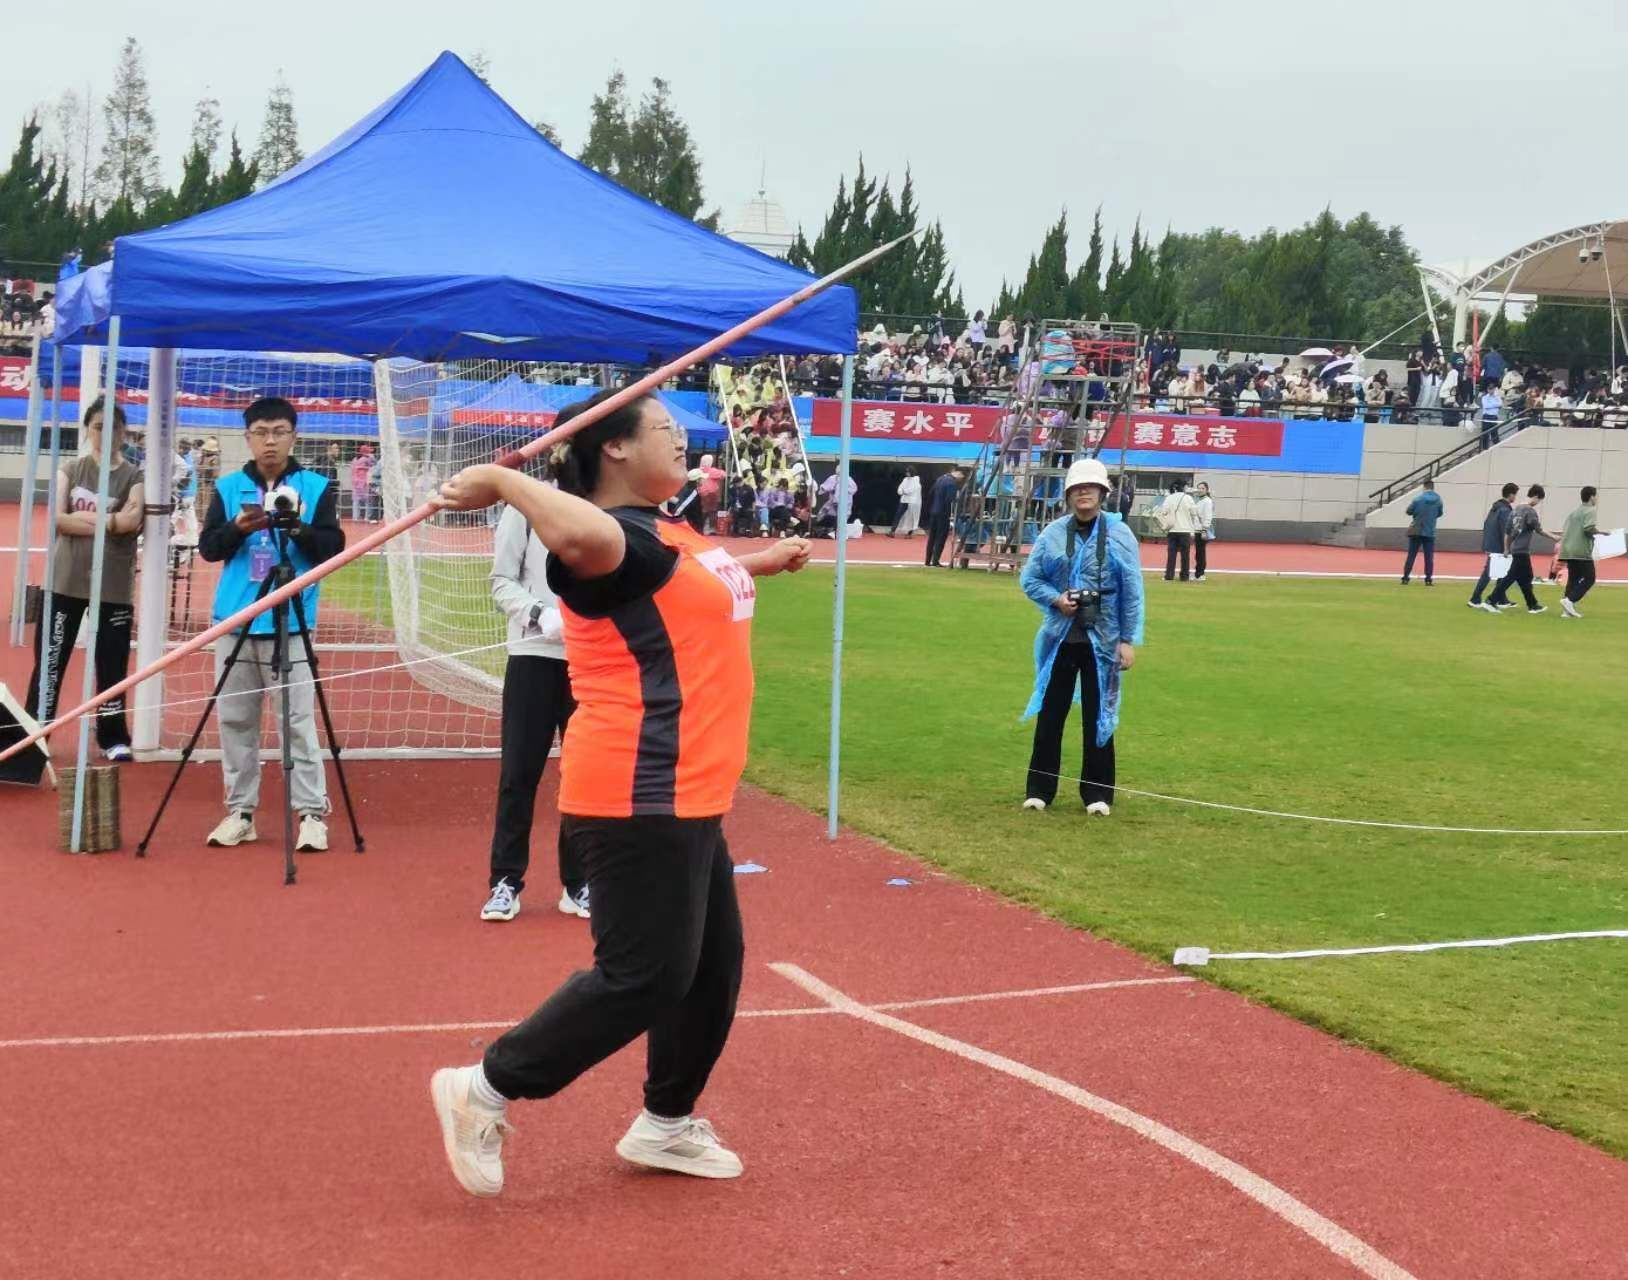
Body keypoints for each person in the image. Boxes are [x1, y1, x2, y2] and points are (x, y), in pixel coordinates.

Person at [427, 388, 812, 1196]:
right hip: (639, 790)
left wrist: (758, 563)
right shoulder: (608, 540)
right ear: (614, 448)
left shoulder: (665, 533)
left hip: (692, 794)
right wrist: (502, 481)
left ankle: (664, 1123)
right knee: (646, 975)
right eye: (664, 429)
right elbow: (583, 537)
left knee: (711, 968)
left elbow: (682, 578)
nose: (681, 440)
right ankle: (485, 1087)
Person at [196, 397, 345, 851]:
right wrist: (239, 528)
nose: (270, 442)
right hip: (236, 618)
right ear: (248, 438)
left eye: (279, 432)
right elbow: (209, 548)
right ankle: (240, 812)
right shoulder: (227, 487)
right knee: (235, 720)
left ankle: (311, 813)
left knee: (296, 721)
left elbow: (333, 547)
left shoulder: (316, 486)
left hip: (290, 619)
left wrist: (295, 526)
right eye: (261, 433)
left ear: (293, 436)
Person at [479, 494, 584, 923]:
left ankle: (578, 882)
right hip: (532, 656)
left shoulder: (604, 505)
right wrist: (539, 614)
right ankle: (505, 880)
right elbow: (502, 581)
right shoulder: (523, 508)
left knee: (583, 775)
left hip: (589, 660)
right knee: (519, 773)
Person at [1019, 458, 1144, 816]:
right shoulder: (1053, 534)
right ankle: (1039, 790)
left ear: (1103, 493)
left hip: (1104, 641)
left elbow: (1131, 590)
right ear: (1068, 495)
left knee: (1099, 716)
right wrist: (1056, 599)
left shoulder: (1120, 534)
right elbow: (1031, 579)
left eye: (1091, 487)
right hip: (1060, 639)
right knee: (1050, 715)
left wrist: (1127, 639)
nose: (1084, 493)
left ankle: (1097, 794)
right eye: (1077, 488)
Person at [23, 396, 144, 762]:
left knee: (112, 663)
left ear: (123, 432)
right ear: (88, 430)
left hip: (113, 583)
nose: (105, 434)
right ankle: (34, 733)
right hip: (66, 578)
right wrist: (109, 522)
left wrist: (86, 520)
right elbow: (58, 519)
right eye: (98, 426)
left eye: (114, 427)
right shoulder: (71, 469)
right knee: (50, 660)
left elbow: (132, 521)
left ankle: (112, 736)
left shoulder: (135, 476)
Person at [1485, 484, 1559, 615]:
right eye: (1539, 500)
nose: (1538, 503)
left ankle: (1532, 604)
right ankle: (1492, 600)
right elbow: (1539, 529)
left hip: (1515, 549)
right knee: (1511, 577)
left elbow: (1507, 531)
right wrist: (1554, 537)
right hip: (1522, 550)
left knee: (1526, 577)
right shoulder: (1530, 511)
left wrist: (1507, 548)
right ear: (1536, 496)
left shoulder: (1515, 510)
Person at [1469, 483, 1520, 611]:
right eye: (1515, 494)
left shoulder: (1495, 508)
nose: (1515, 497)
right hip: (1499, 546)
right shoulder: (1505, 510)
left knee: (1501, 572)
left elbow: (1487, 525)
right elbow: (1506, 530)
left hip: (1491, 544)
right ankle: (1475, 598)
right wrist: (1507, 547)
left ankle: (1501, 598)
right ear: (1511, 494)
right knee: (1489, 573)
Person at [1558, 486, 1600, 620]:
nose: (1597, 498)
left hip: (1569, 549)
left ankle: (1566, 611)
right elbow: (1588, 528)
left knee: (1573, 579)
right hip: (1581, 550)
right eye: (1596, 496)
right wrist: (1601, 534)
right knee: (1590, 578)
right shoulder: (1591, 510)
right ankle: (1570, 600)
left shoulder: (1574, 512)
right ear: (1592, 497)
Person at [1400, 479, 1444, 586]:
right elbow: (1439, 513)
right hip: (1430, 531)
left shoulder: (1418, 499)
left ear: (1424, 487)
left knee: (1411, 555)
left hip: (1417, 529)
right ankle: (1428, 579)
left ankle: (1405, 578)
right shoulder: (1438, 500)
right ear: (1433, 487)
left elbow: (1409, 511)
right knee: (1429, 557)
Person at [1155, 480, 1199, 581]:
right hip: (1185, 530)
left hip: (1172, 530)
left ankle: (1169, 575)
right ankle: (1184, 576)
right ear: (1184, 487)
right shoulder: (1188, 498)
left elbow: (1163, 511)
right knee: (1185, 555)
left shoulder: (1169, 498)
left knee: (1171, 554)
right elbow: (1194, 513)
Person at [923, 467, 964, 567]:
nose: (961, 479)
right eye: (961, 476)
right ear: (957, 473)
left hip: (934, 511)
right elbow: (949, 499)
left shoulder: (940, 479)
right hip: (943, 513)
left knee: (932, 537)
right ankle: (935, 560)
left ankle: (927, 560)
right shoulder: (951, 483)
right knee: (941, 537)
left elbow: (930, 494)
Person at [890, 465, 922, 537]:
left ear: (912, 472)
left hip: (913, 502)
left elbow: (911, 490)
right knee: (898, 514)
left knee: (911, 517)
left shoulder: (916, 480)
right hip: (904, 500)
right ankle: (892, 531)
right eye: (906, 471)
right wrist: (902, 491)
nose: (906, 473)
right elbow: (900, 488)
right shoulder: (905, 479)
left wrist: (903, 491)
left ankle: (910, 533)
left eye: (908, 471)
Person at [1191, 481, 1214, 581]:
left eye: (1202, 488)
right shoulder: (1199, 500)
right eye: (1199, 488)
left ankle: (1200, 574)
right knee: (1198, 553)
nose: (1200, 490)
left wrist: (1204, 530)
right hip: (1197, 530)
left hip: (1202, 530)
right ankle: (1198, 573)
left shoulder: (1207, 501)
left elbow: (1208, 517)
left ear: (1207, 490)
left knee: (1200, 553)